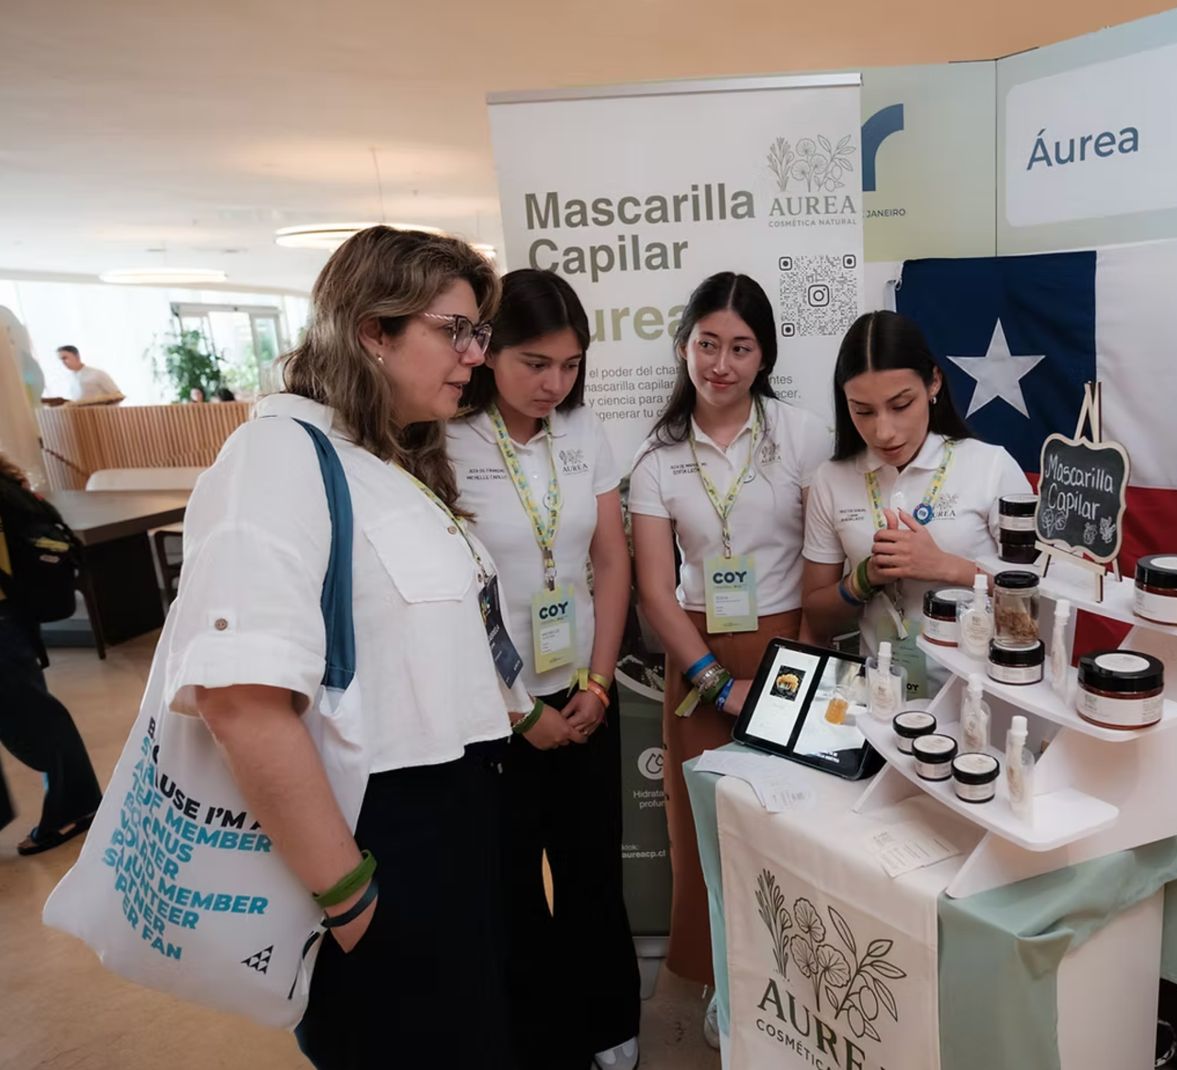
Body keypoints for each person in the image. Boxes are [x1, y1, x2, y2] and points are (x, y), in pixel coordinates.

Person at [155, 226, 531, 1066]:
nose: (476, 355)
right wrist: (351, 897)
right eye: (455, 331)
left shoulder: (381, 460)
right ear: (372, 331)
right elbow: (239, 699)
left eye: (477, 333)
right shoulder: (277, 455)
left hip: (457, 822)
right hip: (382, 840)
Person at [628, 272, 830, 1047]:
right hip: (697, 658)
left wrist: (790, 676)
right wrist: (715, 682)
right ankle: (725, 980)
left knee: (789, 825)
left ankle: (796, 981)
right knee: (705, 830)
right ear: (684, 346)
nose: (722, 364)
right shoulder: (658, 458)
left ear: (764, 355)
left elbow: (820, 564)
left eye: (741, 348)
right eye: (707, 344)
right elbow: (654, 589)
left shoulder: (803, 436)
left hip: (793, 643)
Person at [448, 268, 640, 1070]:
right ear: (488, 351)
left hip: (583, 689)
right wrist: (520, 711)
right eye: (535, 363)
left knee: (592, 867)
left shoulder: (585, 430)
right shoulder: (445, 439)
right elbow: (450, 592)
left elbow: (611, 559)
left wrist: (599, 681)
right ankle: (536, 1038)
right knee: (512, 883)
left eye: (569, 365)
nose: (553, 383)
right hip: (491, 706)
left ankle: (608, 1020)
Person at [801, 310, 1030, 697]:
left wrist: (946, 567)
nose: (883, 432)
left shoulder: (990, 466)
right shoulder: (832, 479)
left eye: (901, 405)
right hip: (878, 703)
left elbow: (1038, 606)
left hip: (982, 698)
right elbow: (817, 616)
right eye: (863, 411)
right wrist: (865, 578)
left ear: (933, 383)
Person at [0, 451, 102, 854]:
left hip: (4, 623)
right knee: (30, 714)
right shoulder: (10, 489)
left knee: (32, 718)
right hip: (10, 619)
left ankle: (75, 807)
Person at [48, 345, 121, 404]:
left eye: (65, 358)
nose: (63, 362)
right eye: (60, 359)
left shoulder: (97, 374)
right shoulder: (69, 379)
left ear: (77, 356)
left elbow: (118, 396)